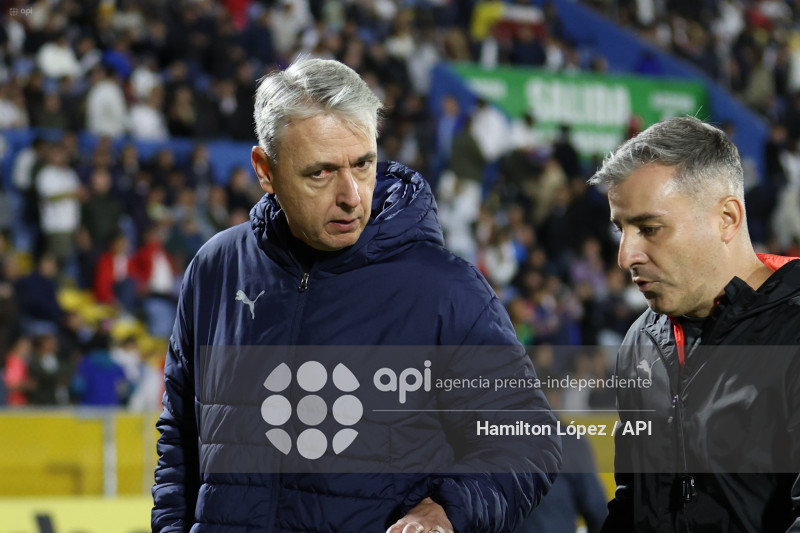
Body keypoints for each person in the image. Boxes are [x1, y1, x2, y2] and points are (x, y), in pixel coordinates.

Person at [152, 58, 561, 533]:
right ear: (266, 170)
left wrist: (449, 510)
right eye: (320, 173)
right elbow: (180, 440)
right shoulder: (215, 269)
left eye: (363, 164)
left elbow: (529, 437)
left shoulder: (445, 290)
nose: (351, 195)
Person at [588, 116, 800, 532]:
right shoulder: (640, 342)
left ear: (727, 217)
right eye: (621, 230)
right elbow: (635, 503)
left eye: (649, 228)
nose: (626, 255)